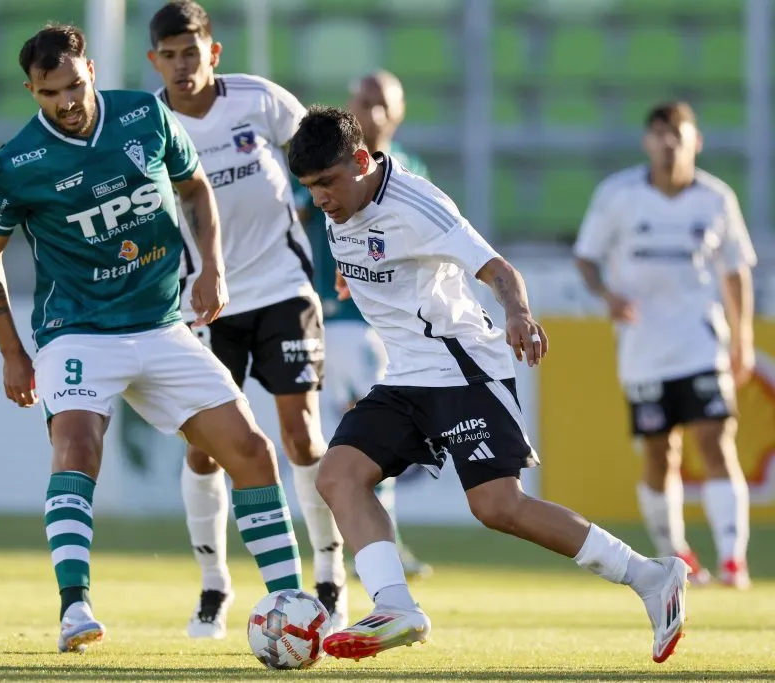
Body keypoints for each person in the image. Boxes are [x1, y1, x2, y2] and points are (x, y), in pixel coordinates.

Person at [288, 105, 689, 664]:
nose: (321, 199)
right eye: (310, 189)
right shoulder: (342, 206)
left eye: (327, 183)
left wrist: (519, 315)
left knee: (498, 506)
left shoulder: (417, 205)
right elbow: (368, 254)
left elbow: (500, 270)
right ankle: (396, 606)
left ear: (361, 161)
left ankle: (651, 576)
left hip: (464, 371)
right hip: (406, 377)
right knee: (338, 476)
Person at [0, 24, 304, 654]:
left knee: (253, 452)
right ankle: (75, 608)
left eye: (72, 86)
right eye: (48, 94)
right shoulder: (16, 163)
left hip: (161, 325)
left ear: (90, 70)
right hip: (78, 332)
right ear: (30, 91)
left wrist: (212, 268)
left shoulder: (145, 114)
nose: (65, 103)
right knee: (77, 446)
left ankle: (290, 600)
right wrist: (13, 351)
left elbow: (195, 185)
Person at [146, 0, 347, 638]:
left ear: (214, 51)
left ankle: (329, 575)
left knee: (301, 436)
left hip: (284, 289)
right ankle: (214, 587)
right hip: (204, 303)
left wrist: (346, 243)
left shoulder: (259, 101)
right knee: (207, 452)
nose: (182, 65)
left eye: (191, 51)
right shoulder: (147, 124)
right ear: (155, 60)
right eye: (169, 55)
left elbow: (326, 161)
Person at [574, 101, 756, 589]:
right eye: (658, 132)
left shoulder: (716, 199)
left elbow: (736, 271)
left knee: (716, 442)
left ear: (696, 140)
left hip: (701, 343)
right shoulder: (619, 195)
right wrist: (607, 295)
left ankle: (733, 560)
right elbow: (587, 257)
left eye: (677, 132)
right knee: (660, 453)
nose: (668, 141)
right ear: (646, 141)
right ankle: (676, 554)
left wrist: (742, 337)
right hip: (643, 350)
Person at [299, 69, 434, 579]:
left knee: (374, 437)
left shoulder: (412, 169)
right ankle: (373, 548)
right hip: (340, 318)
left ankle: (371, 545)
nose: (371, 111)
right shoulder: (327, 164)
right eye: (362, 100)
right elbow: (296, 217)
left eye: (380, 103)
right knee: (368, 433)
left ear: (397, 113)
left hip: (389, 323)